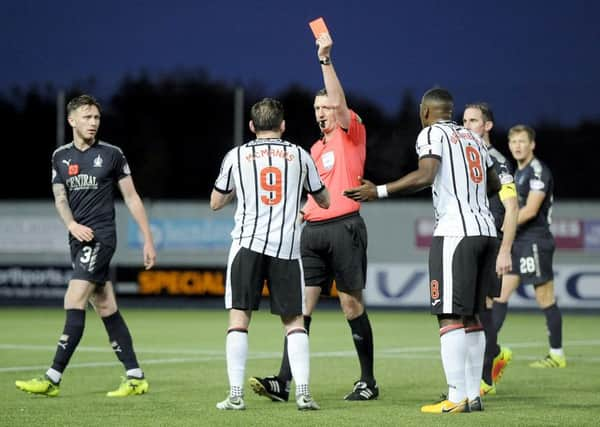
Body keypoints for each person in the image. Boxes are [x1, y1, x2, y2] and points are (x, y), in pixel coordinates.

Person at [344, 88, 502, 414]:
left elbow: (426, 174)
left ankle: (456, 395)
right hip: (486, 229)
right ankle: (473, 395)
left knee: (449, 315)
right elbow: (494, 184)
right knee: (471, 315)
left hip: (456, 232)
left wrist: (380, 190)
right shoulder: (473, 138)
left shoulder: (431, 133)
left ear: (426, 111)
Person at [248, 32, 378, 402]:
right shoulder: (315, 148)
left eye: (327, 107)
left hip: (345, 228)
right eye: (317, 108)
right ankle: (284, 382)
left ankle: (368, 380)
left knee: (350, 304)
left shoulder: (351, 134)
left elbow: (339, 103)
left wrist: (325, 60)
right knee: (298, 308)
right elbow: (309, 195)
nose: (323, 112)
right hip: (313, 233)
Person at [15, 94, 156, 397]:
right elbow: (60, 198)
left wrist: (147, 238)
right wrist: (71, 225)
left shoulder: (112, 154)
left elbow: (131, 197)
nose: (93, 123)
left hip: (102, 237)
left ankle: (52, 378)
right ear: (72, 120)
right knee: (105, 305)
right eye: (87, 117)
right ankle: (135, 376)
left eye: (97, 118)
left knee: (74, 297)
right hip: (77, 239)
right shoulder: (59, 156)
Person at [210, 97, 330, 411]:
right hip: (286, 248)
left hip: (247, 244)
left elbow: (215, 202)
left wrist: (241, 188)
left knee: (239, 319)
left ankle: (236, 395)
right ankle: (303, 393)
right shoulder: (300, 155)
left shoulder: (236, 156)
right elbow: (325, 200)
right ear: (283, 125)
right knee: (294, 323)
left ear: (252, 126)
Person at [491, 125, 565, 368]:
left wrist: (501, 224)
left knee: (545, 298)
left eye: (522, 141)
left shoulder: (537, 171)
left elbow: (531, 210)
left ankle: (556, 354)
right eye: (513, 142)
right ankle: (490, 349)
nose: (517, 146)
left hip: (535, 239)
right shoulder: (517, 172)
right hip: (518, 240)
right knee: (500, 294)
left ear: (532, 144)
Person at [463, 103, 518, 396]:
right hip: (470, 238)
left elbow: (512, 207)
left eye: (474, 120)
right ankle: (493, 355)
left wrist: (505, 249)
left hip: (490, 241)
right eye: (464, 120)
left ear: (488, 126)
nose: (467, 124)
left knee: (483, 306)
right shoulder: (466, 159)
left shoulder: (496, 161)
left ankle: (485, 379)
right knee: (468, 308)